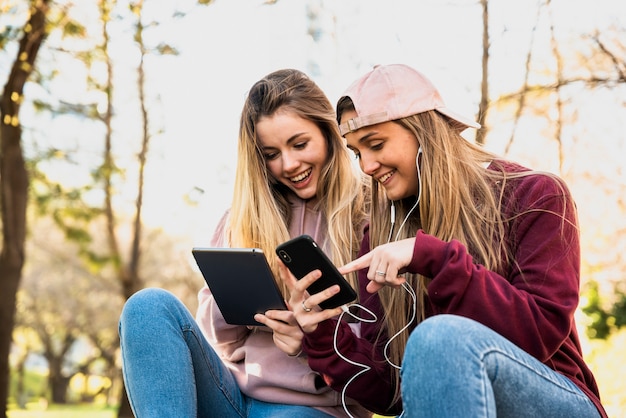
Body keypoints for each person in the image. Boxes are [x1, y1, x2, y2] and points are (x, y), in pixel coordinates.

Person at [282, 64, 607, 418]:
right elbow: (394, 395)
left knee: (437, 339)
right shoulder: (381, 237)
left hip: (556, 400)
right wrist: (323, 332)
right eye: (357, 152)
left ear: (425, 132)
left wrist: (436, 259)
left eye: (375, 144)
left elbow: (540, 335)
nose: (367, 166)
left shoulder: (534, 194)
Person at [118, 68, 371, 417]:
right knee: (147, 308)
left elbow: (378, 351)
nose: (289, 164)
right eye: (271, 153)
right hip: (231, 394)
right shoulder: (241, 219)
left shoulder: (368, 217)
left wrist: (312, 339)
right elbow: (220, 340)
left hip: (315, 407)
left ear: (328, 133)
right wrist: (236, 301)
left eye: (299, 144)